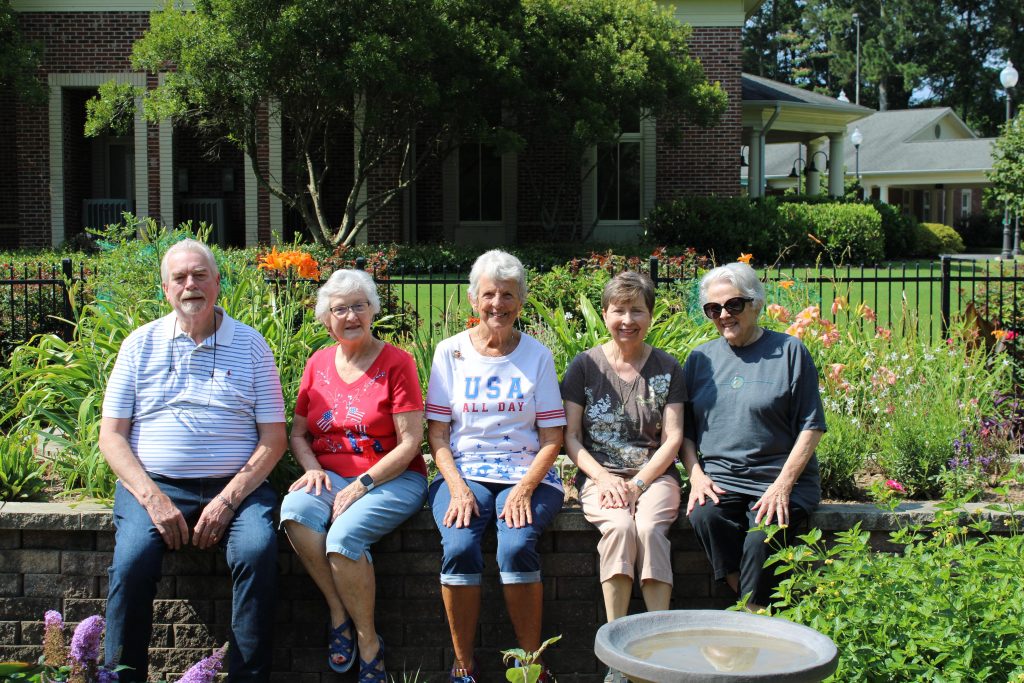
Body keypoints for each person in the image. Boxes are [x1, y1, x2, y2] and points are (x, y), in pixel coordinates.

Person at [99, 239, 286, 682]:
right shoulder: (138, 345)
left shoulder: (253, 346)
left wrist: (227, 500)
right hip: (155, 484)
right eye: (180, 277)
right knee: (132, 562)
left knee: (258, 552)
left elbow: (274, 439)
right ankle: (120, 677)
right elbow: (111, 437)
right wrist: (153, 498)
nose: (190, 285)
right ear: (165, 288)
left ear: (218, 283)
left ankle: (248, 678)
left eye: (200, 275)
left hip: (236, 487)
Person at [278, 269, 427, 683]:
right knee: (294, 511)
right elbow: (298, 433)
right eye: (339, 308)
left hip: (392, 479)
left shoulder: (398, 363)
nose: (349, 316)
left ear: (372, 310)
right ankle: (338, 612)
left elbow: (410, 442)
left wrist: (364, 484)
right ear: (327, 318)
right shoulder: (318, 363)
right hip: (328, 475)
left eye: (358, 306)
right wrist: (311, 469)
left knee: (343, 538)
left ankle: (367, 642)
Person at [425, 249, 565, 683]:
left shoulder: (537, 356)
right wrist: (459, 486)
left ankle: (530, 665)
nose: (497, 305)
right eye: (489, 294)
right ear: (473, 300)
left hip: (527, 472)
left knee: (515, 545)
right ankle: (464, 665)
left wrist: (523, 489)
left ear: (520, 301)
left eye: (508, 295)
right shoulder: (449, 353)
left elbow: (553, 439)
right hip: (463, 470)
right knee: (460, 546)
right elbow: (438, 436)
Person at [562, 271, 686, 683]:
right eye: (619, 310)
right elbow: (572, 437)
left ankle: (659, 651)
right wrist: (604, 479)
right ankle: (618, 656)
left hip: (654, 476)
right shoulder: (584, 366)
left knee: (649, 528)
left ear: (650, 315)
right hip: (601, 477)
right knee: (617, 527)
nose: (627, 319)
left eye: (637, 310)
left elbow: (673, 439)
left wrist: (637, 484)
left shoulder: (668, 367)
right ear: (605, 314)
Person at [682, 262, 826, 610]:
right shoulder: (700, 359)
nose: (724, 315)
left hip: (777, 478)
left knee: (761, 537)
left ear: (756, 303)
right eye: (713, 309)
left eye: (734, 305)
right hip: (723, 480)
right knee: (705, 516)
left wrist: (782, 485)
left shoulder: (789, 352)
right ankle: (755, 608)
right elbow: (684, 432)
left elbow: (812, 425)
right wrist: (696, 476)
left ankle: (750, 613)